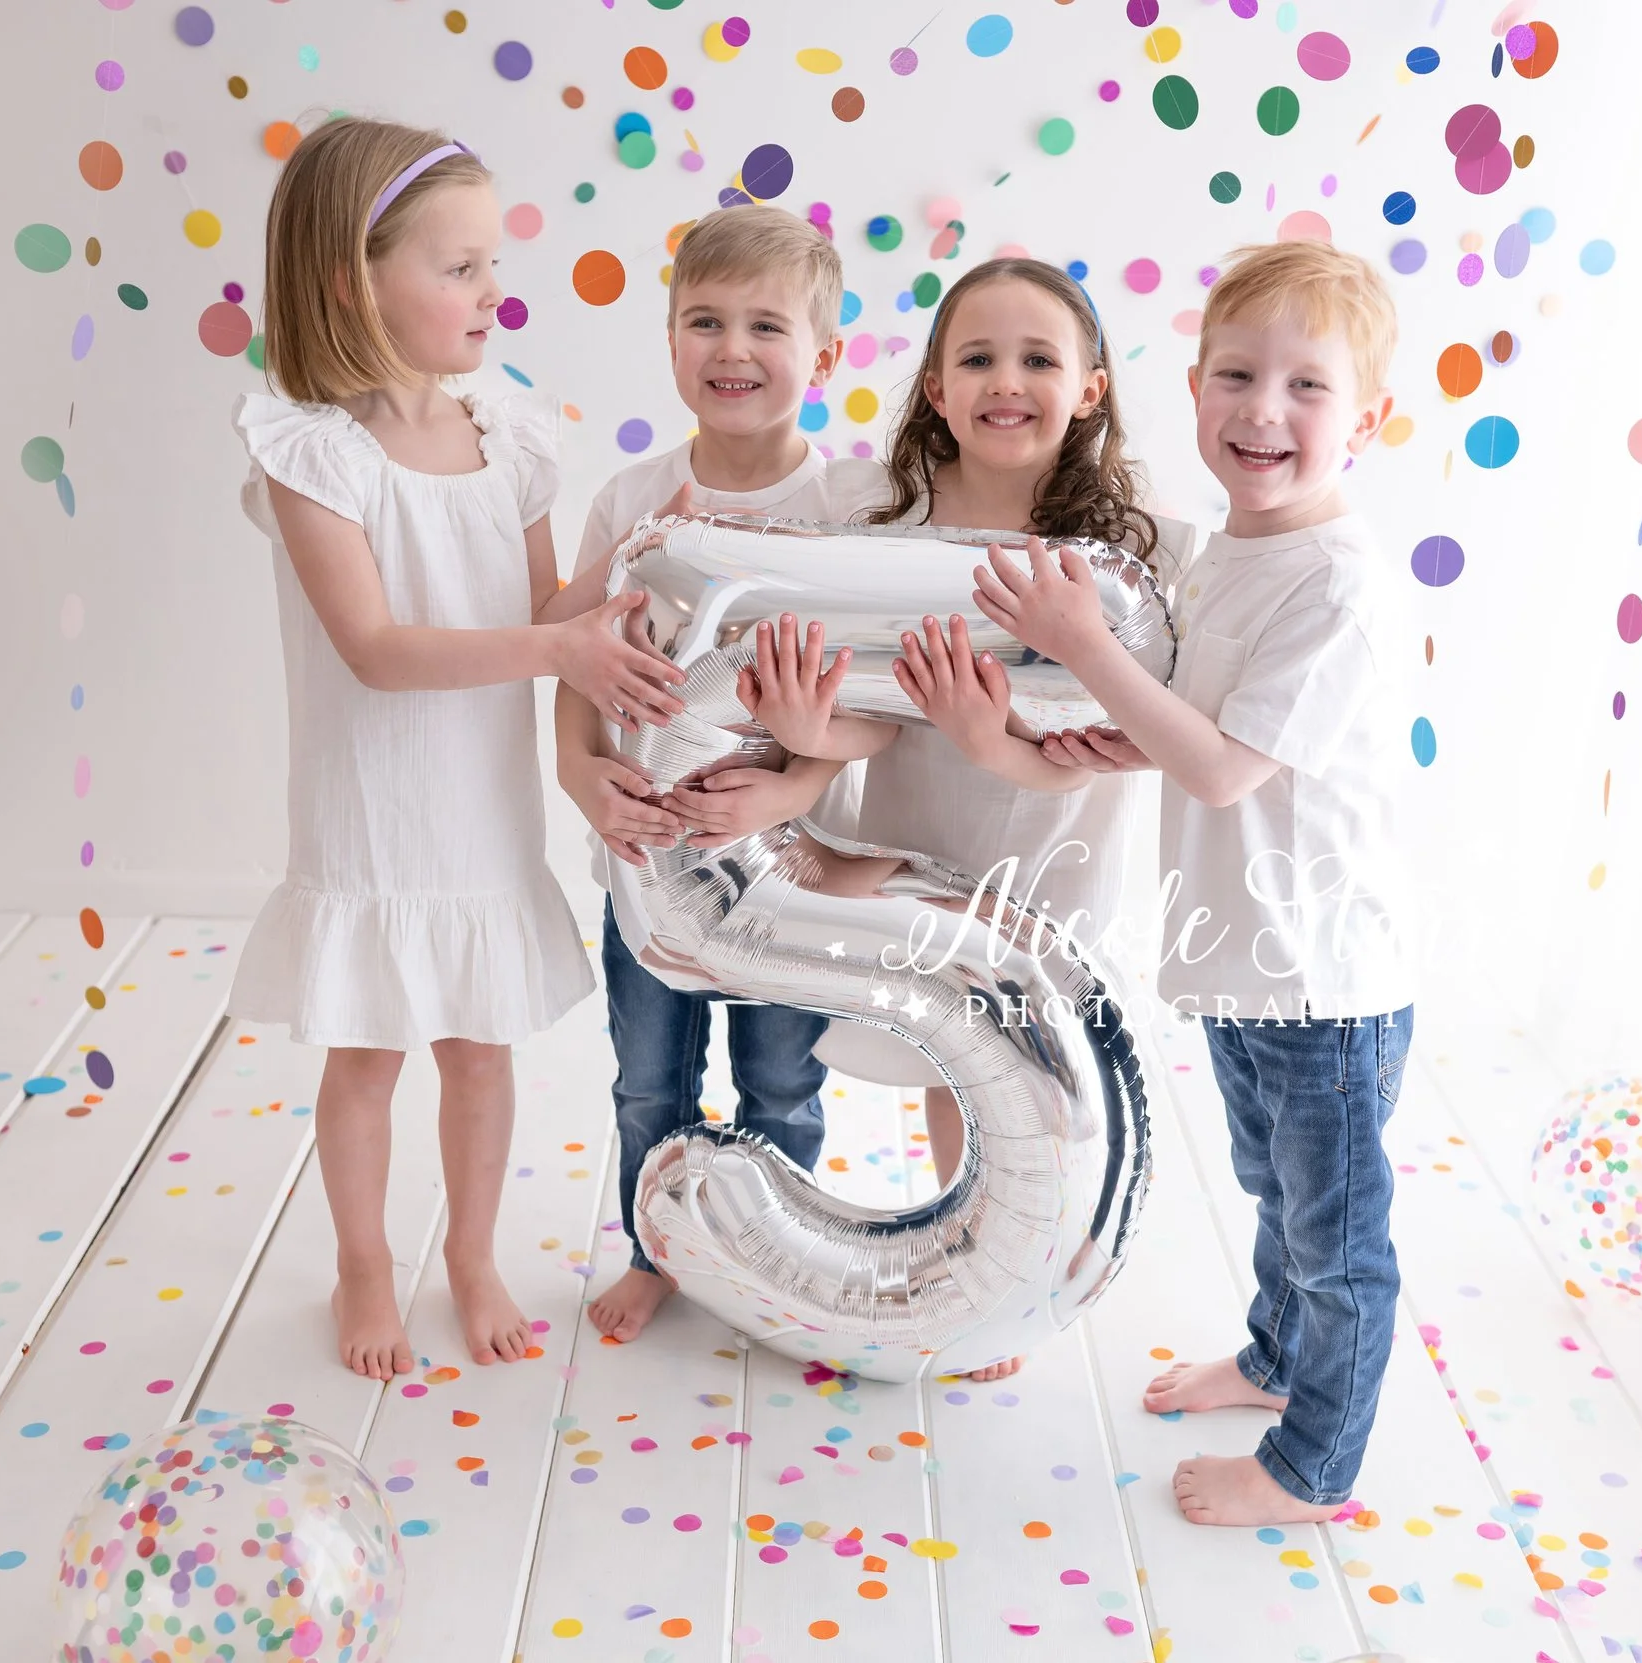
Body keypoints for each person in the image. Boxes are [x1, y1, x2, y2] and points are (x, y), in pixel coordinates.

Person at [228, 118, 684, 1379]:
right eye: (461, 267)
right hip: (374, 810)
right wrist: (560, 646)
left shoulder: (509, 431)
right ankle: (363, 1262)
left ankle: (471, 1253)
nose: (494, 292)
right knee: (368, 1052)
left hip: (480, 806)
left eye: (494, 264)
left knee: (481, 1050)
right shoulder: (312, 452)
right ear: (351, 284)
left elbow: (539, 611)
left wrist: (635, 556)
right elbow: (376, 648)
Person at [970, 240, 1418, 1523]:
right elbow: (1207, 726)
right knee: (1275, 1189)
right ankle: (1277, 1362)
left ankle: (1313, 1468)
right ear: (1194, 387)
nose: (1263, 410)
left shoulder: (1335, 583)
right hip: (1244, 955)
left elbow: (1220, 770)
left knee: (1336, 1243)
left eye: (1306, 386)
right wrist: (1118, 734)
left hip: (1322, 975)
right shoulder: (1234, 551)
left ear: (1366, 420)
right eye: (1236, 375)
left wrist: (1080, 647)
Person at [750, 256, 1195, 1382]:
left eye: (1039, 359)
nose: (1007, 381)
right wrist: (809, 727)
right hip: (929, 842)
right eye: (978, 359)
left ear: (1089, 389)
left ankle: (1037, 1266)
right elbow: (867, 708)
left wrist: (992, 735)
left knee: (1045, 1073)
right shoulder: (888, 524)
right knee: (960, 1061)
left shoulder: (1127, 553)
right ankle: (975, 1260)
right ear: (937, 390)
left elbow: (1117, 743)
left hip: (1058, 853)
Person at [550, 204, 883, 1343]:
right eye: (704, 321)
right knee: (649, 1078)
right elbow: (575, 662)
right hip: (647, 860)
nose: (731, 348)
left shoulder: (849, 510)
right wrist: (577, 772)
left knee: (780, 1080)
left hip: (788, 871)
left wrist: (791, 788)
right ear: (669, 340)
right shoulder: (632, 500)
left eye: (765, 326)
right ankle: (657, 1252)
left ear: (824, 357)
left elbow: (879, 706)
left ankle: (776, 1264)